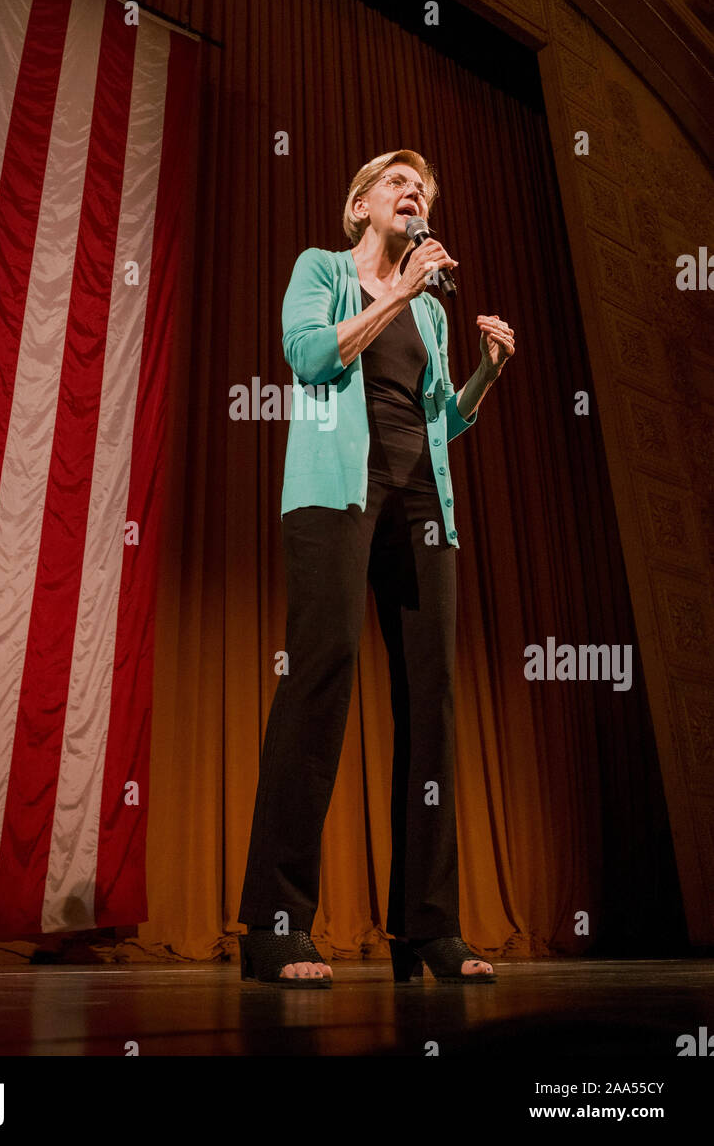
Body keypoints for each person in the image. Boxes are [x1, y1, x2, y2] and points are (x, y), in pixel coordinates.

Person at [237, 150, 515, 986]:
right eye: (399, 186)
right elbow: (311, 358)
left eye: (423, 190)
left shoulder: (429, 313)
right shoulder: (320, 270)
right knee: (320, 677)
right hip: (334, 490)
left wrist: (484, 378)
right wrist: (395, 292)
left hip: (423, 501)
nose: (414, 198)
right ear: (360, 206)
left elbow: (440, 423)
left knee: (430, 699)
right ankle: (276, 925)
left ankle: (427, 928)